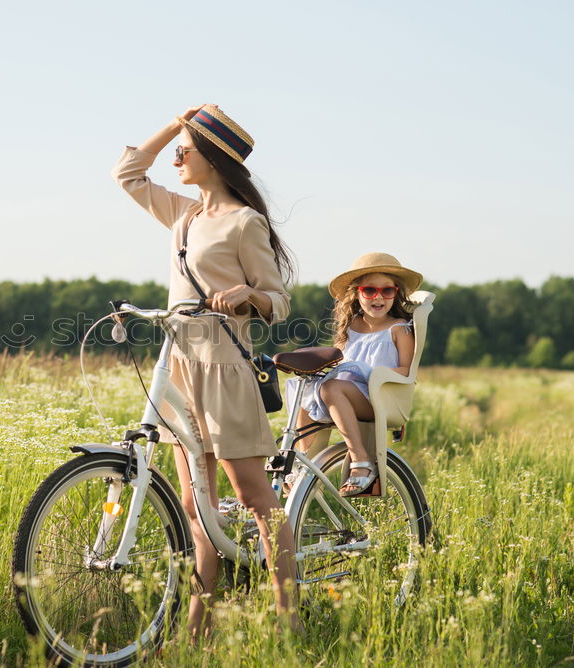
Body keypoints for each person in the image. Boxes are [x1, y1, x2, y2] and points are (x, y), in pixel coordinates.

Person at [112, 104, 300, 636]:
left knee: (255, 500)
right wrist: (177, 124)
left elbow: (279, 301)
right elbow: (127, 174)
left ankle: (289, 623)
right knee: (196, 508)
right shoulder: (184, 216)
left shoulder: (245, 222)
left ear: (213, 160)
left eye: (185, 151)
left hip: (224, 370)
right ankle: (199, 629)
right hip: (179, 367)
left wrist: (248, 295)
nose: (175, 158)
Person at [288, 252, 423, 496]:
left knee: (331, 388)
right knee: (307, 393)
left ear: (396, 293)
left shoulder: (399, 329)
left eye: (387, 291)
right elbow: (335, 362)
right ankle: (303, 462)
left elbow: (406, 370)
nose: (378, 297)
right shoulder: (350, 328)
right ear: (357, 294)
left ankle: (362, 462)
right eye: (369, 290)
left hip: (378, 397)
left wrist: (373, 375)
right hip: (345, 396)